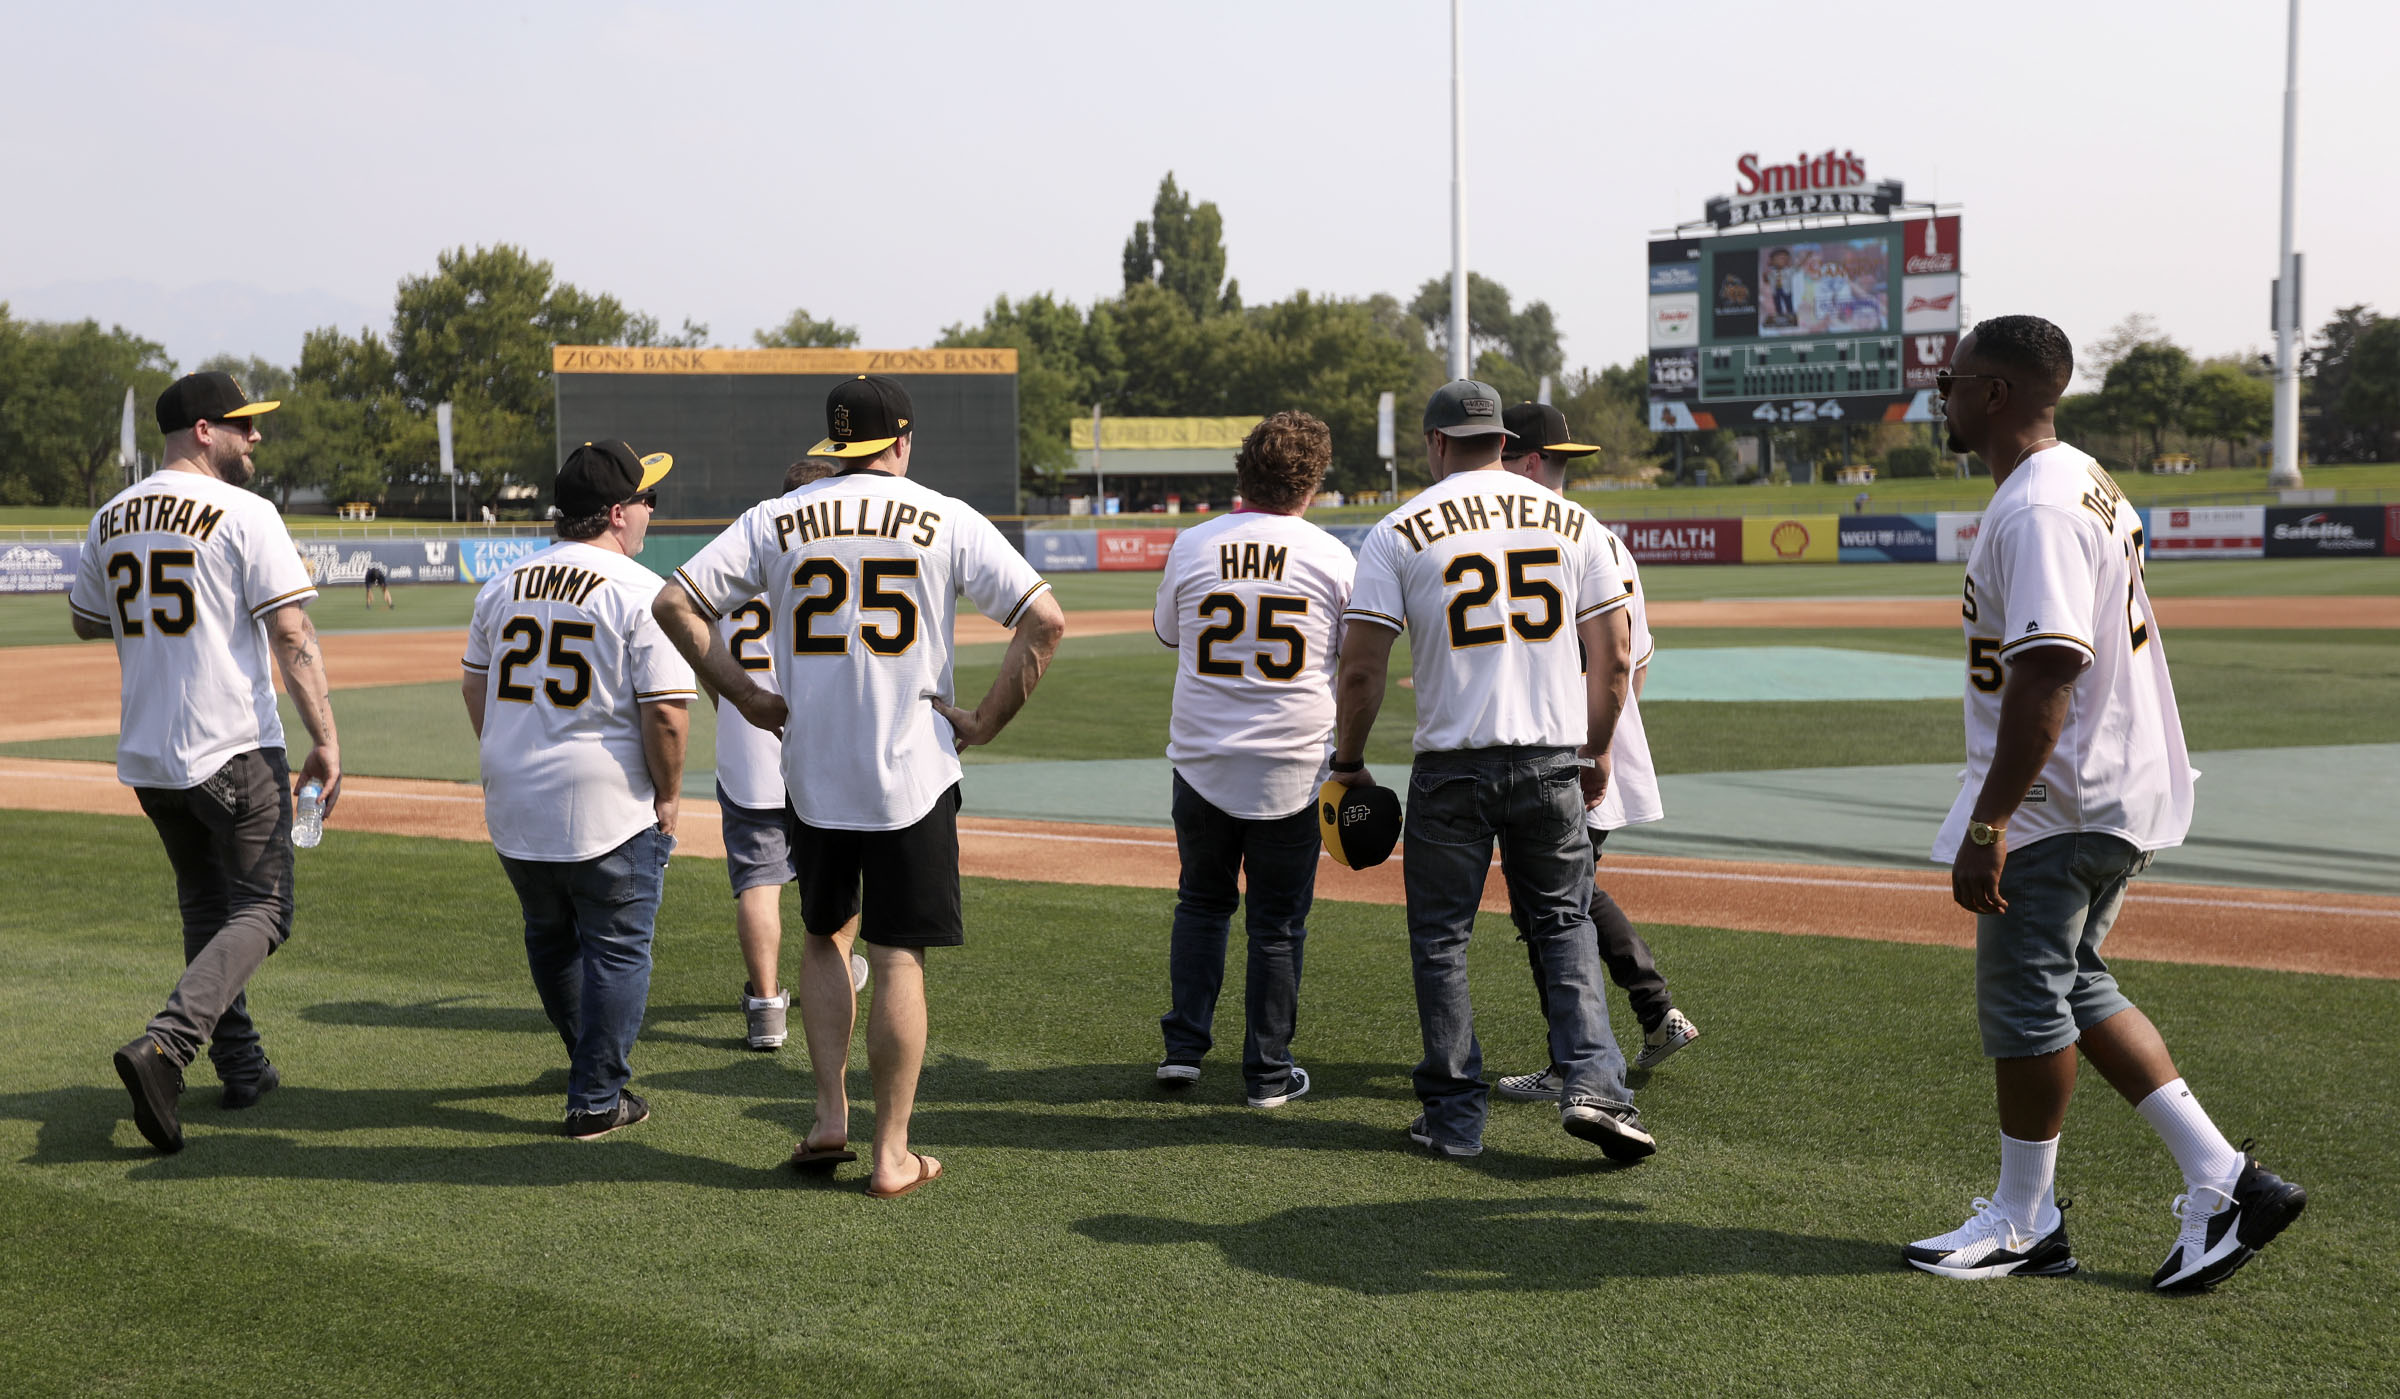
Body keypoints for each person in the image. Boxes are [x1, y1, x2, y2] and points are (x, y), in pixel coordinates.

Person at [1905, 315, 2306, 1289]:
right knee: (2077, 982)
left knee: (2024, 1000)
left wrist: (1992, 822)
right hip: (2112, 786)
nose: (1941, 394)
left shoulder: (2038, 502)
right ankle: (2224, 1176)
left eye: (1953, 378)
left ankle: (2023, 1218)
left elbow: (2046, 674)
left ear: (1994, 391)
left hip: (2063, 800)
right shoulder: (2081, 475)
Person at [658, 375, 1068, 1197]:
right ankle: (892, 1153)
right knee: (898, 954)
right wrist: (983, 719)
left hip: (810, 769)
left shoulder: (775, 518)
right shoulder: (943, 514)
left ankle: (827, 1117)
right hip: (913, 771)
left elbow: (676, 605)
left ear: (834, 443)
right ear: (903, 442)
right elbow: (1045, 621)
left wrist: (746, 694)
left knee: (822, 940)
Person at [1328, 379, 1654, 1162]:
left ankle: (1454, 1117)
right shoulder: (1575, 520)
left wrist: (1348, 762)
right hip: (1550, 758)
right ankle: (1597, 1087)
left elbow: (1363, 671)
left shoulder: (1398, 528)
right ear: (1505, 442)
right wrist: (1598, 748)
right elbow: (1613, 658)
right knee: (1564, 922)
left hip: (1452, 765)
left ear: (1437, 443)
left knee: (1443, 939)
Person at [75, 372, 339, 1154]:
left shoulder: (111, 514)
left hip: (151, 756)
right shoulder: (245, 512)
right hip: (231, 743)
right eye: (243, 424)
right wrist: (325, 736)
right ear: (202, 430)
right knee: (265, 909)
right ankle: (168, 1046)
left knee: (206, 907)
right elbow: (290, 633)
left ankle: (243, 1063)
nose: (255, 437)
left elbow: (90, 621)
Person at [461, 440, 695, 1141]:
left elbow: (475, 686)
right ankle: (595, 1095)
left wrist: (510, 749)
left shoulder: (502, 585)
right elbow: (665, 713)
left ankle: (588, 1066)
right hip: (604, 801)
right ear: (618, 513)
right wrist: (671, 793)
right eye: (648, 500)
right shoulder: (641, 590)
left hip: (513, 796)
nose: (652, 512)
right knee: (619, 945)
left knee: (551, 937)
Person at [1489, 403, 1698, 1106]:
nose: (1560, 473)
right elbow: (1634, 662)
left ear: (1515, 463)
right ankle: (1651, 1011)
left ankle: (1584, 1053)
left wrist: (1585, 743)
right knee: (1560, 897)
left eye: (1555, 462)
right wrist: (1610, 733)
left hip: (1560, 753)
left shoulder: (1518, 542)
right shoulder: (1602, 539)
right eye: (1559, 460)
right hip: (1601, 748)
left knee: (1551, 907)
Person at [1150, 410, 1356, 1108]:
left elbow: (1168, 633)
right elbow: (1347, 659)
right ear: (1314, 482)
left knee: (1202, 904)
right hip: (1294, 765)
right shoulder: (1331, 555)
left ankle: (1183, 1051)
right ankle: (1267, 1072)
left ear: (1243, 472)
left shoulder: (1193, 542)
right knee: (1276, 923)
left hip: (1203, 758)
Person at [710, 457, 868, 1052]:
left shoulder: (737, 560)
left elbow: (708, 651)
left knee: (759, 879)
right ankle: (841, 968)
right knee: (835, 870)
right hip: (822, 741)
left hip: (748, 739)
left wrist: (739, 704)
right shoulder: (840, 565)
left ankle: (767, 1008)